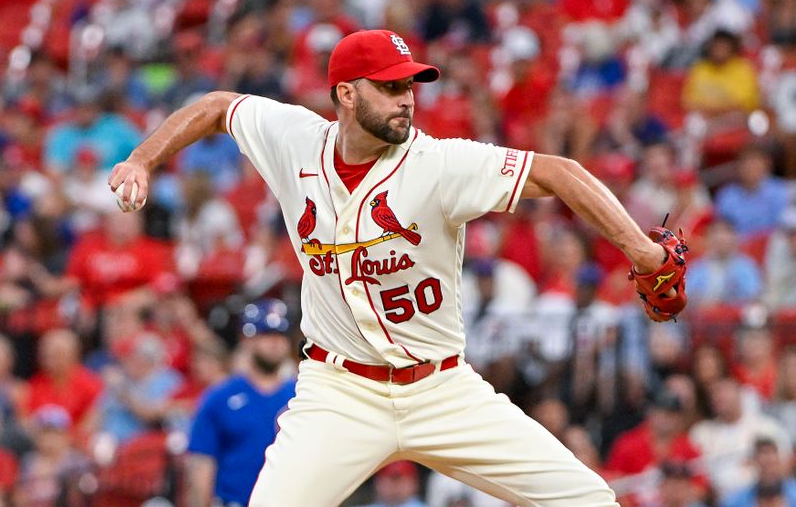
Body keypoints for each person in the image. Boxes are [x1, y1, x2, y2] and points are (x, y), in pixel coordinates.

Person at [109, 29, 676, 506]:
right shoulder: (295, 141)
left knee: (589, 500)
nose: (407, 97)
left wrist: (643, 253)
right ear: (347, 94)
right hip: (339, 392)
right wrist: (141, 159)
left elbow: (558, 171)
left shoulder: (439, 164)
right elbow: (216, 107)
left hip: (442, 389)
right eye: (390, 86)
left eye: (410, 84)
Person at [186, 299, 297, 507]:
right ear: (247, 339)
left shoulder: (302, 395)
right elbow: (201, 464)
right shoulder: (220, 397)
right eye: (266, 334)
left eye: (281, 335)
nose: (275, 343)